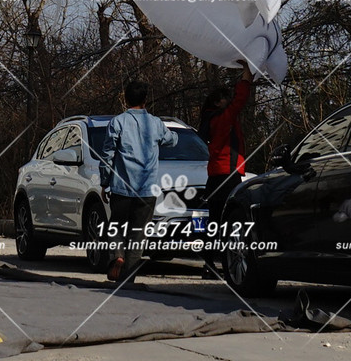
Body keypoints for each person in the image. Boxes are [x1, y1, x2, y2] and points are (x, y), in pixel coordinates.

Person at [99, 80, 178, 285]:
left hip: (121, 188)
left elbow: (107, 155)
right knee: (138, 233)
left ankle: (117, 255)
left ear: (125, 100)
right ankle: (128, 277)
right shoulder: (155, 123)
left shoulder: (117, 122)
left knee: (115, 227)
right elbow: (171, 140)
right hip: (147, 189)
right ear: (145, 100)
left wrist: (104, 182)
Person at [197, 62, 254, 277]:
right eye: (225, 99)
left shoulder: (210, 120)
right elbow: (240, 100)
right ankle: (220, 264)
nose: (228, 101)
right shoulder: (222, 118)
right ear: (217, 102)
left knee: (215, 222)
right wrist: (246, 77)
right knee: (228, 223)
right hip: (227, 175)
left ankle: (209, 264)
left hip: (216, 175)